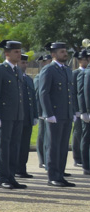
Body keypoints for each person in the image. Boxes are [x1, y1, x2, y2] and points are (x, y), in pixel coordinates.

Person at [37, 42, 77, 187]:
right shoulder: (49, 70)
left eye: (65, 51)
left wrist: (72, 111)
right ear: (53, 54)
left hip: (66, 114)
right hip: (54, 114)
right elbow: (44, 93)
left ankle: (60, 174)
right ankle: (52, 176)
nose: (65, 54)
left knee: (63, 146)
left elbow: (70, 93)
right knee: (53, 146)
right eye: (62, 52)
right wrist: (48, 113)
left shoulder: (67, 70)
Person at [0, 40, 26, 190]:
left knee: (14, 146)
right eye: (16, 52)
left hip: (17, 115)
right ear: (7, 53)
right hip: (4, 115)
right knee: (3, 147)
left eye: (19, 51)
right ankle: (3, 177)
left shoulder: (17, 70)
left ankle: (11, 176)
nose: (19, 54)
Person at [16, 54, 38, 180]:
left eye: (25, 62)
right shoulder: (15, 77)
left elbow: (33, 99)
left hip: (28, 117)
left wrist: (34, 114)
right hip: (18, 116)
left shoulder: (29, 79)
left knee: (25, 145)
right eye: (22, 62)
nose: (24, 65)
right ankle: (15, 169)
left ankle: (22, 168)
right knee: (16, 144)